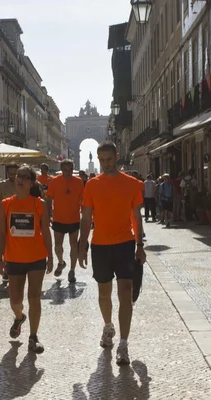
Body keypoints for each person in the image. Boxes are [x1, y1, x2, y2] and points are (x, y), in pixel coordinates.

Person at [78, 141, 146, 366]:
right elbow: (86, 217)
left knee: (125, 293)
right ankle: (108, 326)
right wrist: (82, 245)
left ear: (117, 157)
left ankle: (124, 344)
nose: (106, 164)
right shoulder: (91, 186)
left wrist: (139, 245)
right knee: (104, 293)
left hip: (125, 244)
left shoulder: (132, 184)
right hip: (100, 246)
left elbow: (137, 216)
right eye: (102, 160)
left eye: (109, 159)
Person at [0, 164, 53, 354]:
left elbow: (45, 230)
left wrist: (51, 255)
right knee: (15, 301)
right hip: (14, 258)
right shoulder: (6, 204)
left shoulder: (39, 204)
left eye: (24, 177)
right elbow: (2, 233)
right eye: (17, 176)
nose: (19, 179)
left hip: (37, 257)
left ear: (31, 182)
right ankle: (19, 317)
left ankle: (33, 337)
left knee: (34, 297)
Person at [46, 159, 84, 283]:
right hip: (58, 218)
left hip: (74, 218)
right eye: (65, 170)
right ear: (61, 170)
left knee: (74, 245)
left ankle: (72, 271)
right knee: (58, 246)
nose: (68, 173)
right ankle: (61, 262)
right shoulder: (55, 181)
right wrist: (47, 215)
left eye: (70, 170)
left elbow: (83, 200)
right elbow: (49, 198)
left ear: (73, 170)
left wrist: (85, 215)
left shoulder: (79, 182)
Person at [0, 163, 19, 282]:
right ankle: (6, 268)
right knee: (4, 244)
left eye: (15, 173)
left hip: (19, 220)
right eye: (10, 173)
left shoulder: (21, 185)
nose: (12, 176)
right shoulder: (2, 185)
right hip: (5, 219)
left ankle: (15, 266)